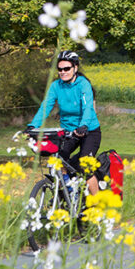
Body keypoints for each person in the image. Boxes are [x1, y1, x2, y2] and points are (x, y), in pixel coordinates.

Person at [28, 51, 101, 194]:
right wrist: (33, 126)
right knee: (57, 163)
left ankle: (98, 206)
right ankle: (67, 197)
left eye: (66, 68)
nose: (63, 72)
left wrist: (84, 125)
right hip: (68, 132)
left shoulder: (83, 84)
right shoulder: (56, 86)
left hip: (89, 131)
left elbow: (87, 108)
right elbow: (46, 106)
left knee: (85, 166)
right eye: (60, 69)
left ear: (75, 68)